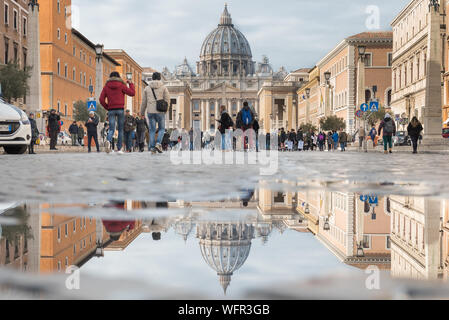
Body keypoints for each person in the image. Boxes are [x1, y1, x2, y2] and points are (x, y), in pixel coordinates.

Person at [100, 71, 135, 154]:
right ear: (118, 77)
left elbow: (101, 99)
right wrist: (131, 84)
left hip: (111, 110)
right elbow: (132, 93)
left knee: (111, 128)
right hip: (120, 109)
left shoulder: (106, 87)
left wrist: (107, 107)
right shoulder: (122, 85)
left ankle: (108, 141)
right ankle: (119, 149)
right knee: (120, 130)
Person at [140, 72, 170, 154]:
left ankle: (152, 147)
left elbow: (144, 102)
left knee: (152, 130)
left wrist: (142, 112)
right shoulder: (164, 87)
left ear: (152, 78)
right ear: (160, 78)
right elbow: (167, 100)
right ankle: (158, 143)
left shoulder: (147, 88)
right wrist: (166, 110)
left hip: (150, 111)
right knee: (161, 129)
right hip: (160, 111)